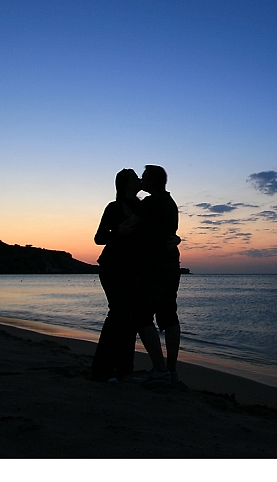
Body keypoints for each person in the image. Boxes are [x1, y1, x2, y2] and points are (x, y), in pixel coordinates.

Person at [132, 164, 183, 386]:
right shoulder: (170, 203)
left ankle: (159, 369)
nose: (141, 182)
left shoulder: (150, 202)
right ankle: (170, 370)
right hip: (171, 265)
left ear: (152, 181)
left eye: (144, 178)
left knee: (141, 315)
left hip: (155, 266)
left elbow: (131, 225)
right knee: (169, 316)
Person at [90, 168, 142, 382]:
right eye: (134, 177)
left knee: (130, 317)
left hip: (133, 269)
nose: (138, 179)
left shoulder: (143, 207)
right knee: (118, 314)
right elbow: (99, 238)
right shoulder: (113, 208)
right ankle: (101, 369)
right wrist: (117, 232)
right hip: (112, 267)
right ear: (125, 183)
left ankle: (124, 368)